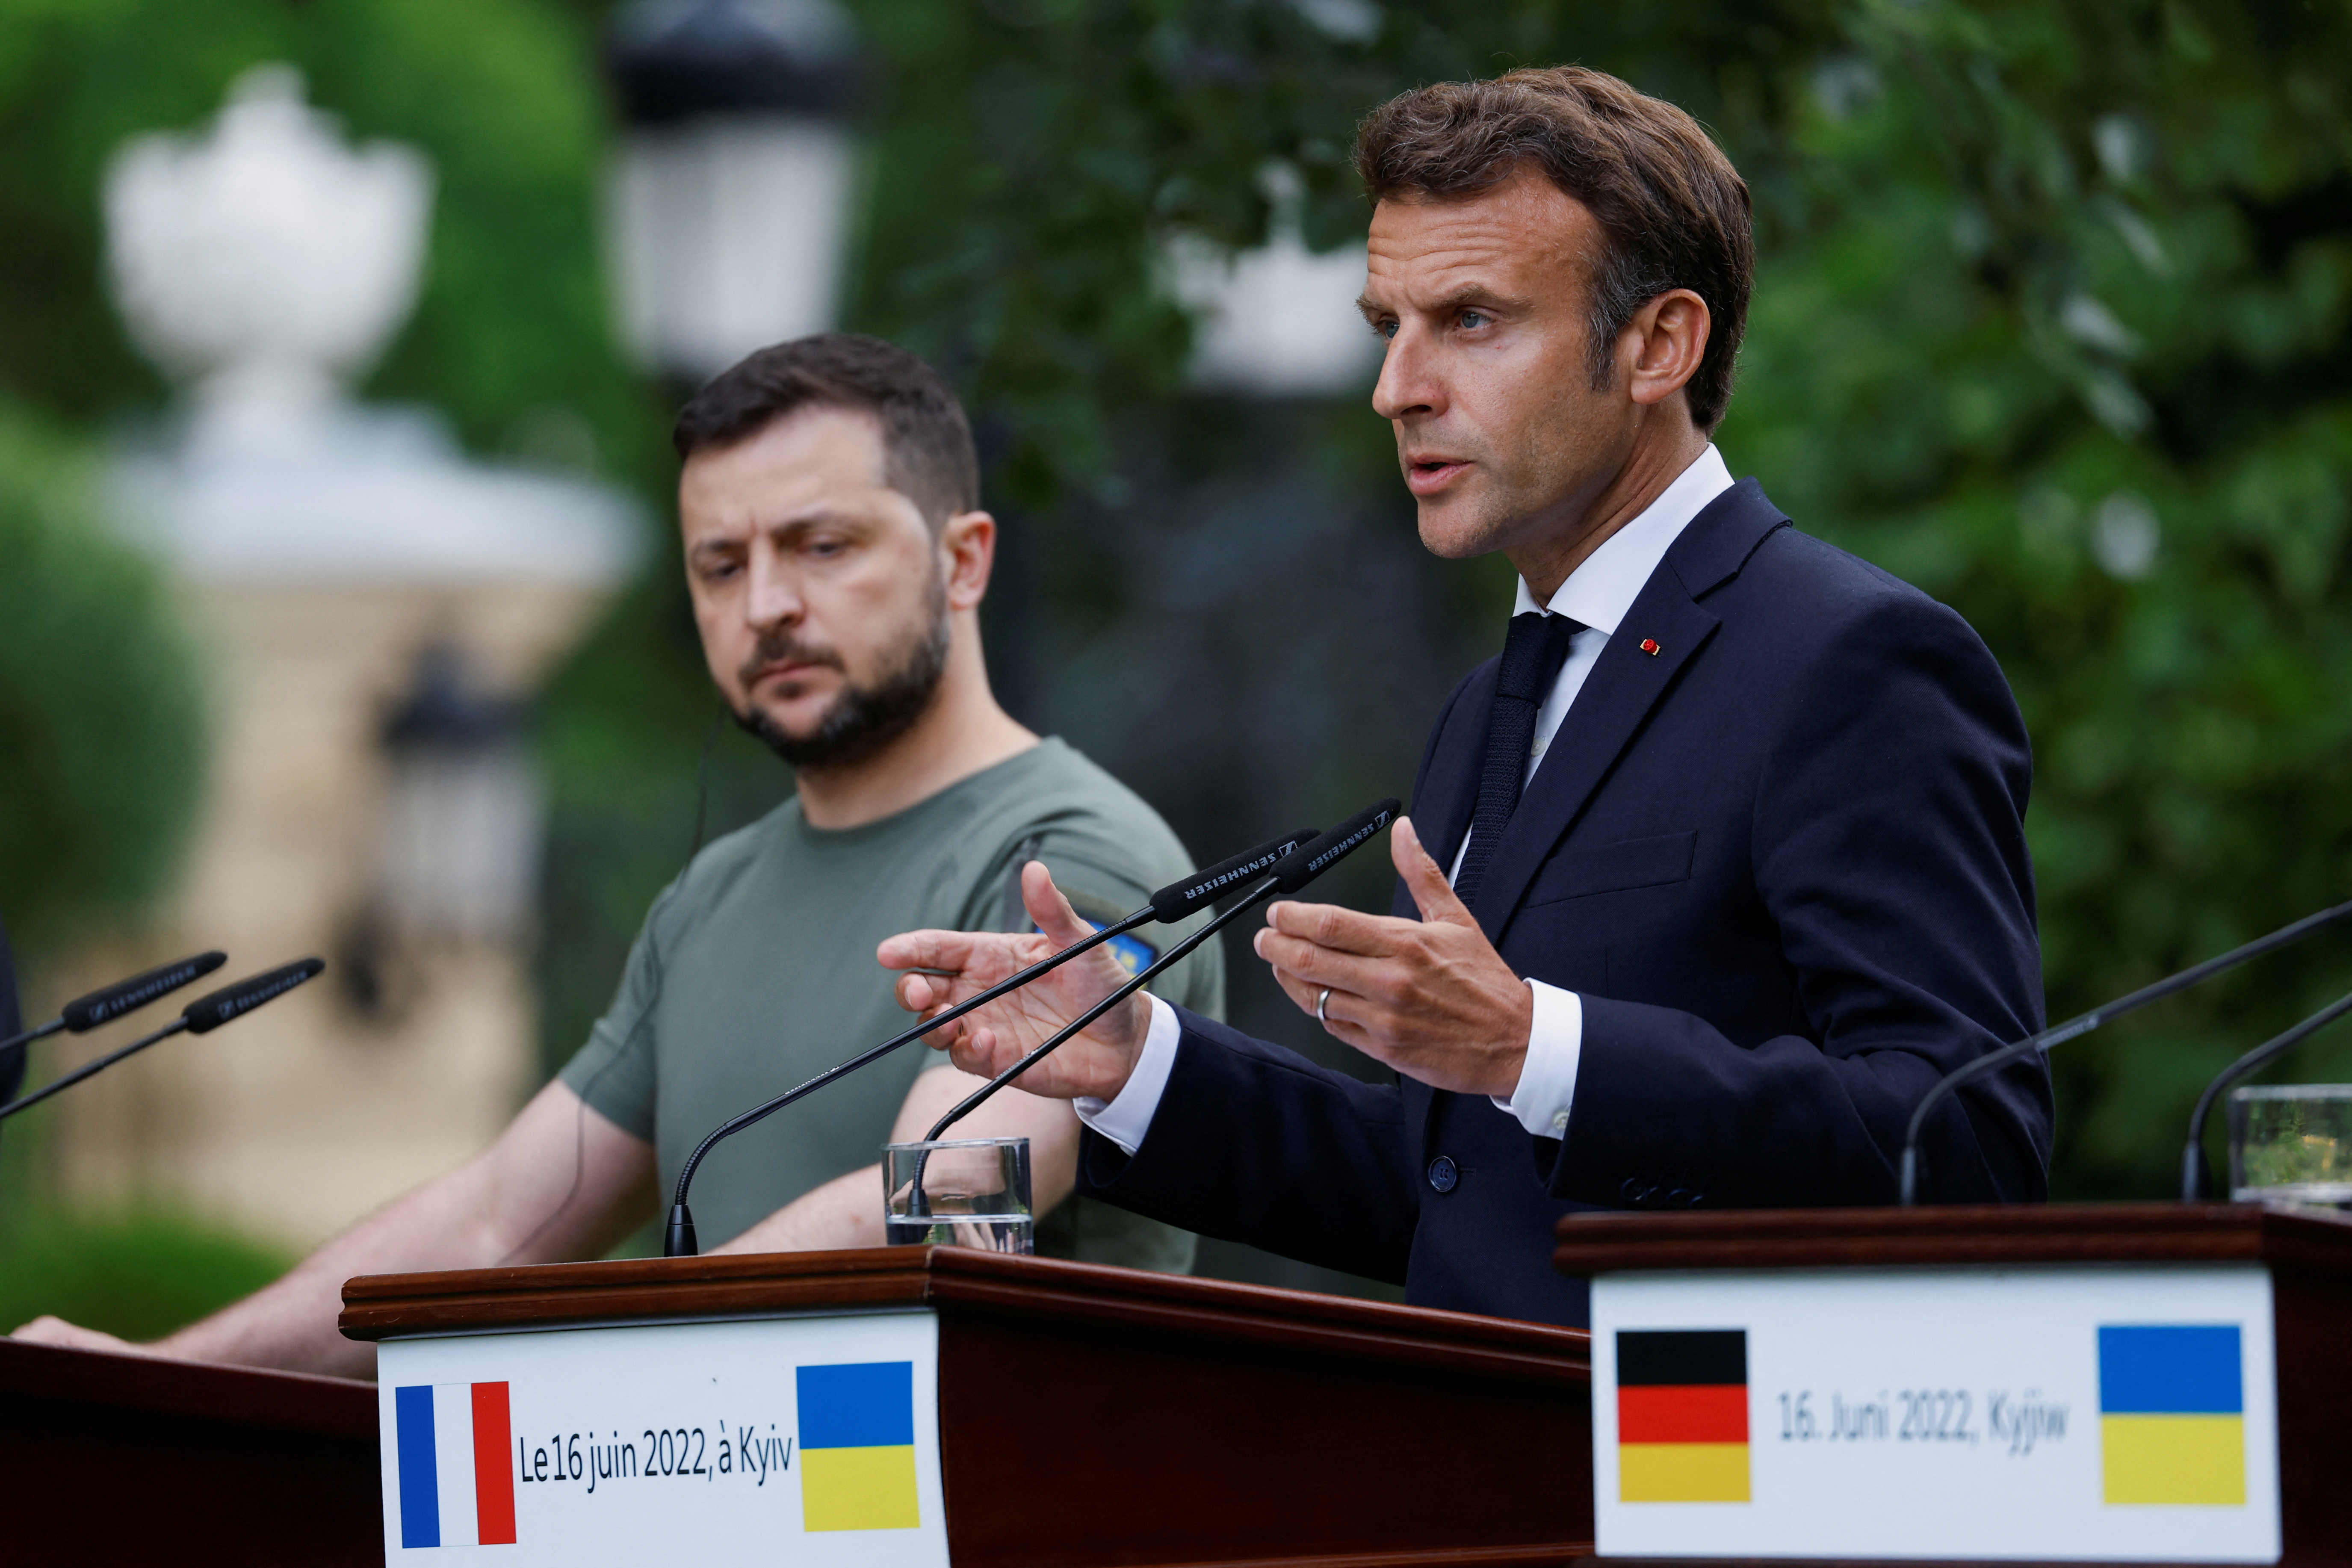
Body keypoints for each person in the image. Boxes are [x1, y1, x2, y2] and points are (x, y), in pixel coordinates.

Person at [879, 67, 2051, 1329]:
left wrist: (1534, 1047)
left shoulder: (1852, 659)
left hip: (1721, 1494)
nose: (1398, 386)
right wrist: (1135, 1065)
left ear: (1659, 344)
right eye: (1388, 322)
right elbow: (1445, 1186)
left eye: (1472, 319)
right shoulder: (1489, 703)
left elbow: (1965, 1140)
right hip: (1490, 1485)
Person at [15, 334, 1218, 1375]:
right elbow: (499, 1222)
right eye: (721, 563)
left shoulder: (1069, 860)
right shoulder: (709, 899)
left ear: (963, 560)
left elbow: (949, 1206)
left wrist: (614, 1371)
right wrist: (159, 1372)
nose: (765, 606)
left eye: (820, 546)